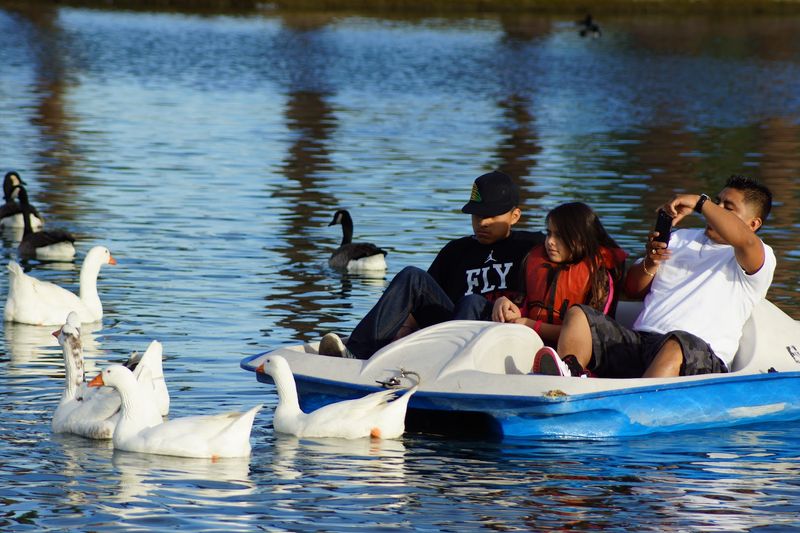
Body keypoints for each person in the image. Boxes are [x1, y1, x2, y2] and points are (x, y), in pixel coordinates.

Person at [534, 175, 775, 378]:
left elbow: (743, 239)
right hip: (642, 344)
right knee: (580, 315)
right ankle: (569, 379)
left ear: (753, 223)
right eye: (717, 202)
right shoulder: (679, 237)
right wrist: (650, 262)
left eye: (727, 207)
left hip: (696, 355)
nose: (717, 210)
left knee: (677, 343)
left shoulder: (756, 256)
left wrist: (700, 203)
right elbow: (631, 289)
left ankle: (639, 404)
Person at [319, 170, 545, 359]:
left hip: (501, 335)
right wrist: (401, 332)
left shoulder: (532, 247)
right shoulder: (456, 250)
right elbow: (420, 303)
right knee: (412, 276)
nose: (482, 223)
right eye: (476, 215)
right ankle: (357, 352)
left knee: (473, 301)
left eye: (492, 216)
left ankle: (448, 365)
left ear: (515, 216)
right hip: (450, 334)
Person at [491, 202, 627, 347]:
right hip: (534, 344)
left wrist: (532, 326)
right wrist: (506, 305)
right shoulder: (535, 263)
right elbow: (522, 307)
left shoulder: (599, 274)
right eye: (549, 233)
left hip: (584, 356)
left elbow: (591, 332)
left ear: (583, 238)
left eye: (560, 236)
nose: (550, 242)